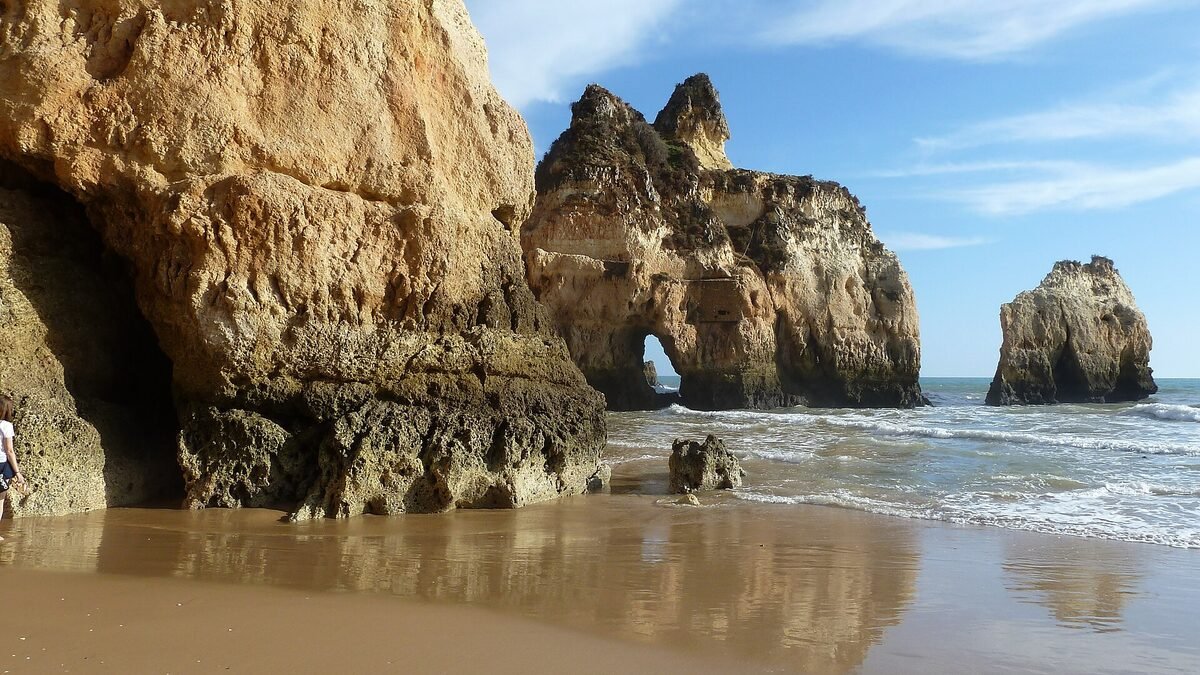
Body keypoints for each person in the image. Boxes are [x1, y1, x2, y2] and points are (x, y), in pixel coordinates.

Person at [0, 395, 26, 538]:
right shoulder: (6, 426)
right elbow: (9, 451)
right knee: (0, 500)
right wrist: (17, 472)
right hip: (1, 465)